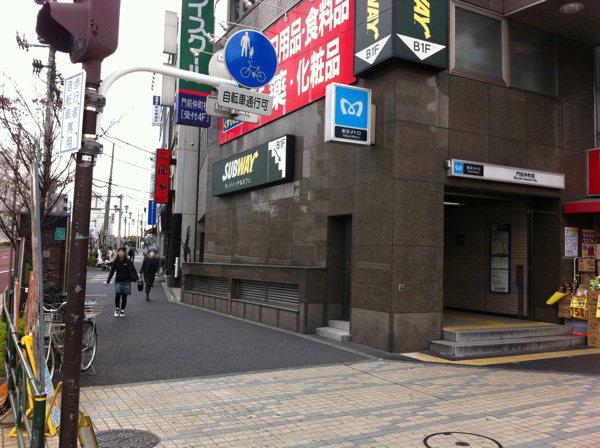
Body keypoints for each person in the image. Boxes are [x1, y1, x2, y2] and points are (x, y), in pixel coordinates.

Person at [105, 247, 137, 317]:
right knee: (117, 296)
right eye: (119, 251)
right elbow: (112, 272)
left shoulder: (128, 261)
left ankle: (122, 310)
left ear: (125, 253)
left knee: (124, 297)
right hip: (118, 281)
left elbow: (133, 270)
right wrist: (108, 281)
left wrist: (137, 279)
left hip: (127, 281)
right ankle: (117, 308)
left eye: (122, 251)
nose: (120, 253)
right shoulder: (116, 262)